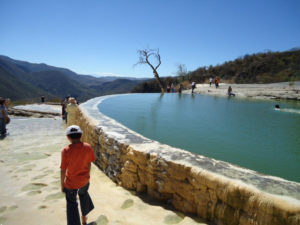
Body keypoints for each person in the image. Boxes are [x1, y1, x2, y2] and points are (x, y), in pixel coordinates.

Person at [61, 125, 96, 225]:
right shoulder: (88, 147)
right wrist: (87, 177)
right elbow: (89, 163)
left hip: (71, 183)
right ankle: (84, 219)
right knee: (83, 196)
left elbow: (63, 170)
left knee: (71, 204)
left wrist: (62, 185)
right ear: (81, 135)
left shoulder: (66, 150)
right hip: (84, 181)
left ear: (68, 137)